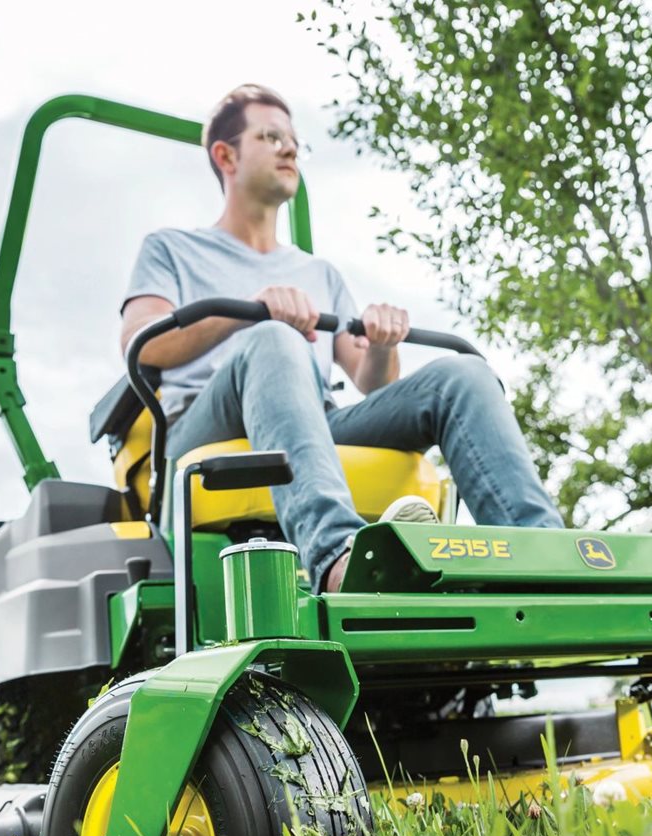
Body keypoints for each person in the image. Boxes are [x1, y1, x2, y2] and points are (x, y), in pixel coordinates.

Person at [119, 84, 565, 593]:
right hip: (205, 422)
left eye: (293, 141)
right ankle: (339, 556)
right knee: (273, 339)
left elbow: (373, 382)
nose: (289, 149)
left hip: (312, 419)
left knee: (462, 374)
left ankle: (541, 557)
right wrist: (251, 315)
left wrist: (381, 342)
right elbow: (141, 342)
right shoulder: (174, 249)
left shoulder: (319, 272)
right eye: (270, 136)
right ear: (226, 155)